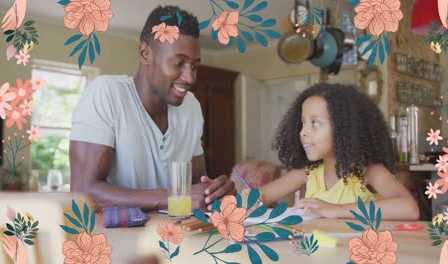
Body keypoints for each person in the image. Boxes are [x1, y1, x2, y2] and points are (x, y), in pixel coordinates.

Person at [69, 5, 236, 211]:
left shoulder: (191, 106)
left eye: (194, 66)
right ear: (145, 53)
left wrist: (215, 191)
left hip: (173, 237)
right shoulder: (106, 94)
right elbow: (83, 191)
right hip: (117, 239)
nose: (190, 77)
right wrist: (175, 198)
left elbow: (196, 185)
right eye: (178, 63)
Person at [251, 83, 419, 220]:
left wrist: (336, 210)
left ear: (343, 129)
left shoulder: (369, 172)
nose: (303, 132)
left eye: (315, 123)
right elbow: (261, 196)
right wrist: (247, 199)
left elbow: (409, 208)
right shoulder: (308, 172)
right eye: (303, 123)